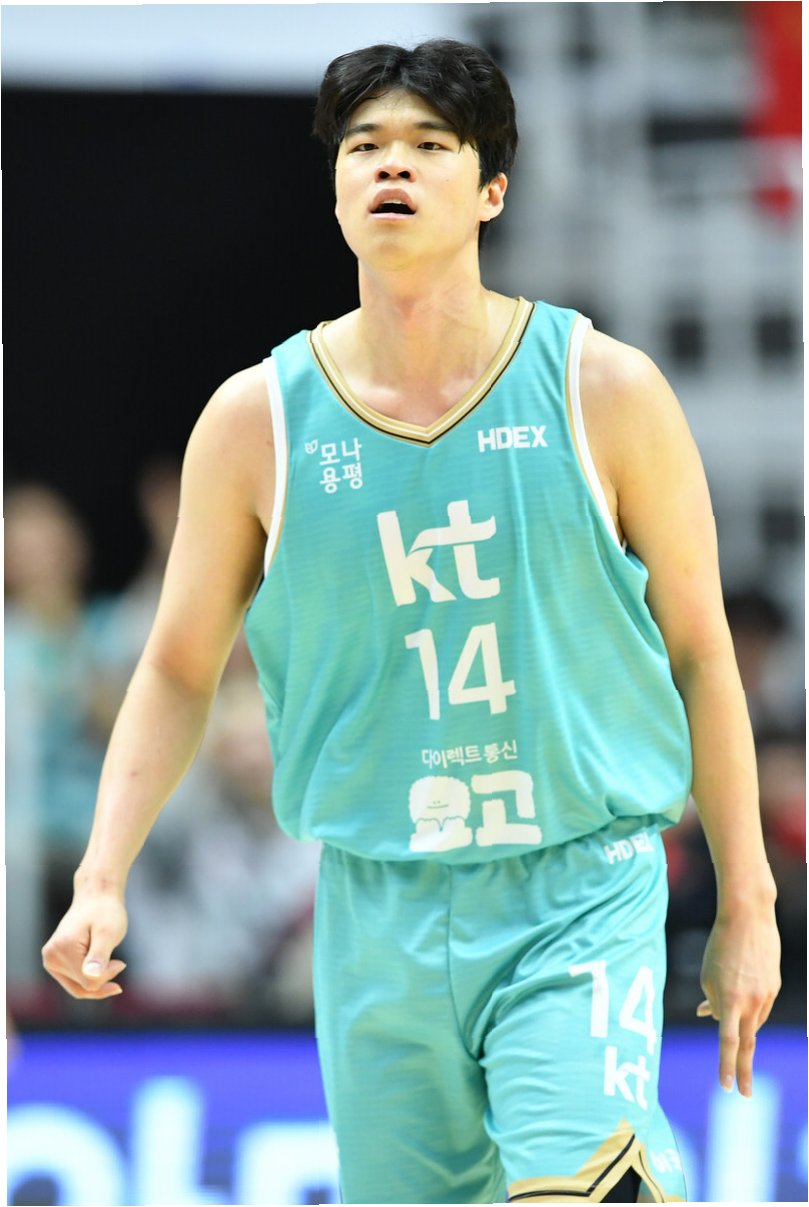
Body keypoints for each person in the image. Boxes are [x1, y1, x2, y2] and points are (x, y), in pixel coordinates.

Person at [42, 39, 781, 1204]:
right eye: (364, 146)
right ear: (335, 188)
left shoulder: (603, 389)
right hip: (374, 897)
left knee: (580, 1186)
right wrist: (100, 874)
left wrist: (747, 899)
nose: (390, 165)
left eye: (428, 145)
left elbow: (699, 653)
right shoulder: (254, 421)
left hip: (574, 884)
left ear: (491, 189)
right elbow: (178, 669)